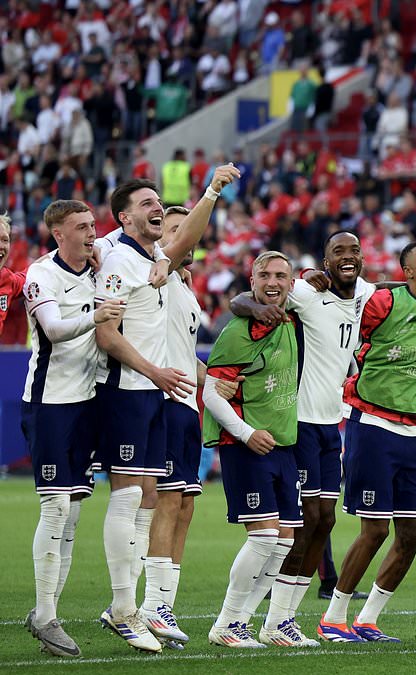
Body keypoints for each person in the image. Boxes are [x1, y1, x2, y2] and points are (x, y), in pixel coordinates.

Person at [94, 171, 235, 652]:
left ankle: (143, 607)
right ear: (126, 216)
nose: (161, 214)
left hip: (164, 394)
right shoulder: (122, 257)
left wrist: (209, 380)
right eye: (150, 205)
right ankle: (131, 606)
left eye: (163, 205)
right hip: (136, 389)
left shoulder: (165, 269)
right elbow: (107, 333)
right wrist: (212, 191)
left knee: (165, 501)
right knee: (140, 500)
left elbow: (177, 346)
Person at [226, 231, 376, 645]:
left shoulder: (366, 293)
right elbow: (242, 301)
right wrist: (258, 305)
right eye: (337, 252)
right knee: (306, 521)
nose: (347, 258)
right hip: (302, 423)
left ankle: (284, 619)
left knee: (325, 520)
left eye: (353, 251)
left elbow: (400, 290)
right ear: (325, 263)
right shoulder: (308, 294)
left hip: (332, 424)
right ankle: (271, 619)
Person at [316, 240, 416, 643]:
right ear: (406, 271)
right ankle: (333, 618)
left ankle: (368, 619)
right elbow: (345, 302)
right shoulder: (382, 303)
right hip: (372, 424)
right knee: (375, 529)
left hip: (413, 432)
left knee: (413, 533)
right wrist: (318, 279)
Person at [21, 201, 126, 658]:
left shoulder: (96, 265)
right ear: (57, 233)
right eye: (81, 227)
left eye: (93, 226)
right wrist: (96, 317)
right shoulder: (40, 275)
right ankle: (45, 616)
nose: (91, 233)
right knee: (57, 506)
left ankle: (48, 614)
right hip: (50, 405)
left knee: (74, 514)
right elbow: (53, 329)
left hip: (86, 404)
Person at [202, 251, 304, 649]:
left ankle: (251, 623)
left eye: (281, 275)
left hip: (283, 441)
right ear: (253, 279)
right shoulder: (239, 329)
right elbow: (211, 392)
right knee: (263, 538)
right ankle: (227, 623)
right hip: (246, 444)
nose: (273, 281)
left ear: (292, 284)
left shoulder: (293, 316)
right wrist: (245, 434)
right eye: (265, 275)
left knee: (283, 541)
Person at [134, 204, 219, 650]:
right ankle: (149, 605)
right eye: (174, 230)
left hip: (188, 406)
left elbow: (187, 358)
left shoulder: (186, 288)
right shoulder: (156, 271)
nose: (186, 237)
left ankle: (163, 604)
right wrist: (212, 194)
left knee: (184, 505)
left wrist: (218, 378)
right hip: (163, 403)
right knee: (166, 502)